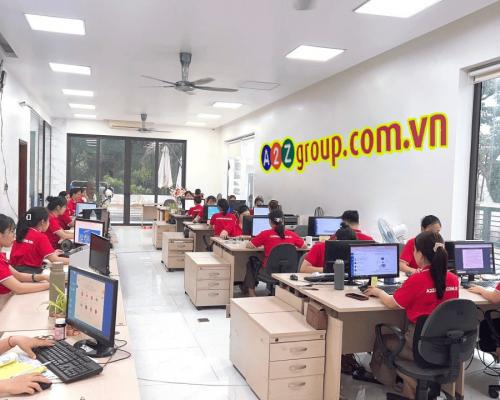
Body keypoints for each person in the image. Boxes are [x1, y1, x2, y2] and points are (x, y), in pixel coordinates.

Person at [363, 231, 459, 399]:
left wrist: (378, 292)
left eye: (414, 250)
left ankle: (394, 382)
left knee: (382, 340)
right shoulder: (453, 279)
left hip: (417, 346)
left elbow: (392, 303)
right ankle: (412, 387)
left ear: (420, 254)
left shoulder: (417, 279)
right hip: (446, 346)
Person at [245, 209, 307, 296]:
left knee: (250, 263)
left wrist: (263, 246)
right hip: (287, 272)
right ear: (283, 221)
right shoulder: (292, 234)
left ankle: (252, 293)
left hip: (269, 273)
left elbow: (249, 245)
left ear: (270, 222)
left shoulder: (265, 234)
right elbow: (304, 246)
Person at [0, 215, 49, 307]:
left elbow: (18, 275)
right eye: (11, 232)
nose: (14, 236)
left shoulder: (1, 256)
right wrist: (50, 285)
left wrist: (43, 277)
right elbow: (19, 288)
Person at [10, 207, 69, 273]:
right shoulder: (41, 237)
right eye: (48, 220)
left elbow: (27, 254)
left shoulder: (22, 232)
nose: (49, 223)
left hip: (14, 271)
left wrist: (51, 254)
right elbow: (55, 260)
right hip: (29, 273)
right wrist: (73, 261)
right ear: (42, 222)